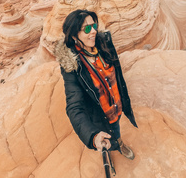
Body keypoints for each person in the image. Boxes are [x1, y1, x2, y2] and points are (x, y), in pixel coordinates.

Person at [54, 9, 137, 159]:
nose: (93, 31)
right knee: (106, 136)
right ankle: (112, 149)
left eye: (94, 26)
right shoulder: (72, 66)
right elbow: (74, 107)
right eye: (86, 28)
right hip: (100, 114)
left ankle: (119, 144)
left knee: (116, 129)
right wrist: (92, 136)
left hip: (116, 106)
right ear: (74, 35)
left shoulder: (104, 45)